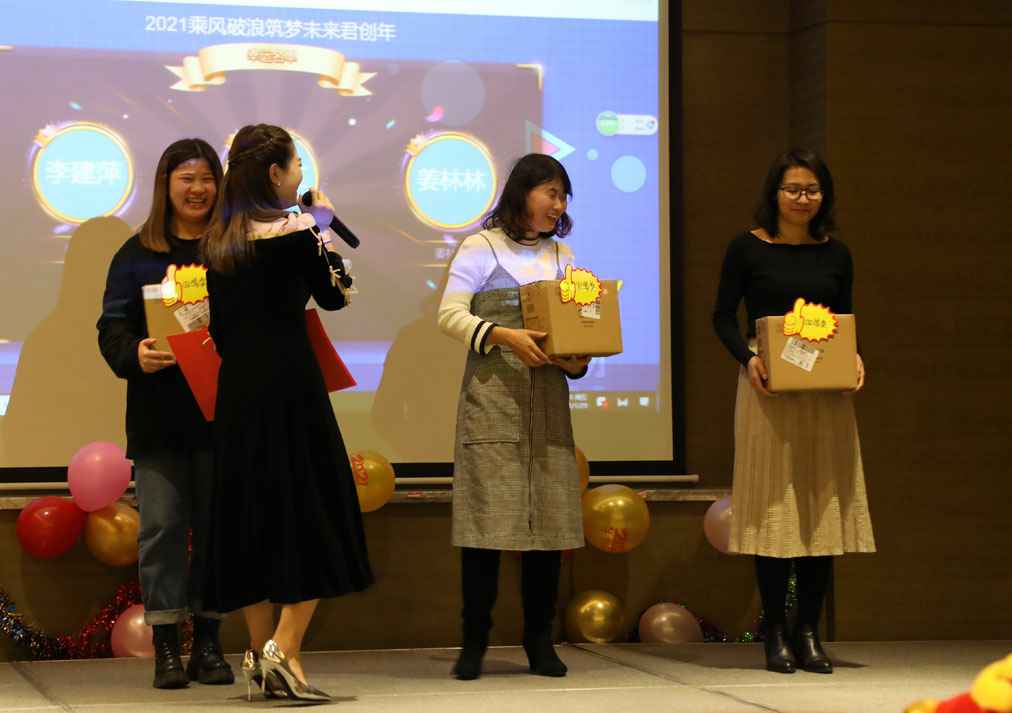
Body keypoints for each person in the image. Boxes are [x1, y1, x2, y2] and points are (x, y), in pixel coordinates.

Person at [200, 124, 372, 702]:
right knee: (313, 509)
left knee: (251, 515)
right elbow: (334, 296)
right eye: (296, 164)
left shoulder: (219, 242)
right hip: (292, 390)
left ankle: (260, 656)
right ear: (275, 174)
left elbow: (220, 328)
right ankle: (285, 646)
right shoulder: (297, 232)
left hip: (238, 393)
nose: (300, 173)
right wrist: (322, 228)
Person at [712, 149, 876, 674]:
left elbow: (844, 320)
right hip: (768, 393)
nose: (803, 199)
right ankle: (775, 634)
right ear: (774, 194)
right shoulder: (747, 248)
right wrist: (750, 360)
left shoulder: (837, 254)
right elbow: (722, 318)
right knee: (773, 510)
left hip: (826, 397)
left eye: (812, 190)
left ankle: (808, 631)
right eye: (793, 189)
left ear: (824, 196)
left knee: (821, 508)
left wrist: (854, 358)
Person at [438, 153, 591, 681]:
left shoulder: (563, 255)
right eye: (551, 192)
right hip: (492, 406)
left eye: (563, 196)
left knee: (548, 530)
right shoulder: (481, 247)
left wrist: (577, 357)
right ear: (522, 192)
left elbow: (577, 327)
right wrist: (503, 335)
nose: (558, 205)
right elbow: (449, 315)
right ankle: (474, 643)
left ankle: (539, 642)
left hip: (548, 408)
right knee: (484, 529)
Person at [97, 138, 233, 689]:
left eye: (207, 178)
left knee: (218, 531)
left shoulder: (231, 249)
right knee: (160, 531)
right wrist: (135, 353)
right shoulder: (136, 253)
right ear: (166, 185)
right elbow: (112, 326)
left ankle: (209, 643)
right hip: (159, 417)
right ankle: (167, 648)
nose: (198, 189)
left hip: (222, 414)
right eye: (187, 179)